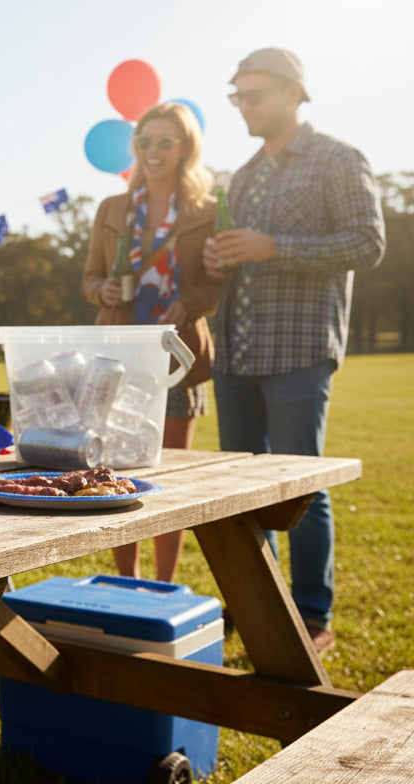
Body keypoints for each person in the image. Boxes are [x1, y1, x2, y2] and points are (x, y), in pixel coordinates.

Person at [204, 48, 386, 653]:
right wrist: (220, 257)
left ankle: (311, 615)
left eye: (252, 96)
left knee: (299, 483)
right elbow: (242, 252)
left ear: (292, 93)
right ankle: (261, 602)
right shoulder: (244, 174)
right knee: (244, 491)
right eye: (237, 98)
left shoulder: (339, 158)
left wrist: (272, 246)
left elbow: (366, 242)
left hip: (299, 349)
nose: (244, 108)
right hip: (237, 352)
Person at [83, 102, 220, 583]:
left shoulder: (207, 210)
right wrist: (98, 289)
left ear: (186, 148)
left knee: (169, 476)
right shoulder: (111, 209)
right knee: (114, 471)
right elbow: (90, 277)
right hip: (117, 355)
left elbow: (217, 284)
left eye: (165, 142)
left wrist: (192, 303)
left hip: (179, 356)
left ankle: (162, 585)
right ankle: (126, 580)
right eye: (145, 142)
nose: (153, 151)